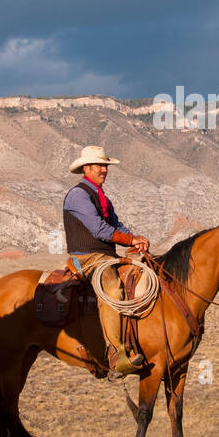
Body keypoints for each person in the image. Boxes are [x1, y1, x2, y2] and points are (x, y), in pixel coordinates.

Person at [62, 145, 151, 376]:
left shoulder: (102, 198)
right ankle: (116, 354)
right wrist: (130, 240)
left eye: (105, 166)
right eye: (100, 166)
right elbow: (100, 229)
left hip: (106, 255)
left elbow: (115, 225)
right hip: (87, 257)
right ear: (87, 168)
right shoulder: (78, 195)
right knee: (112, 286)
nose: (104, 170)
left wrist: (136, 240)